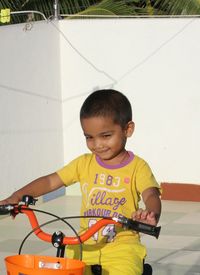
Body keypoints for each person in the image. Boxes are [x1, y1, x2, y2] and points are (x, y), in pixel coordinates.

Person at [0, 89, 161, 275]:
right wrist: (17, 196)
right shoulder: (84, 163)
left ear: (128, 129)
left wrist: (151, 214)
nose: (97, 144)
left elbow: (151, 193)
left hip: (121, 248)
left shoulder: (137, 167)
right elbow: (52, 181)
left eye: (106, 135)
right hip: (83, 245)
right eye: (89, 137)